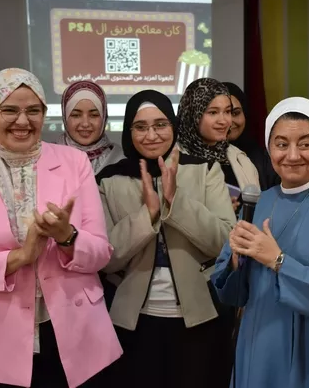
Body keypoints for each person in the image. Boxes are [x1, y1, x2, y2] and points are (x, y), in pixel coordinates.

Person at [0, 68, 122, 388]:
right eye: (9, 110)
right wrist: (19, 257)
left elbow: (101, 253)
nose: (23, 121)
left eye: (33, 110)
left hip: (70, 335)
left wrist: (67, 237)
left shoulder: (74, 162)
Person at [212, 97, 309, 388]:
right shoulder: (258, 203)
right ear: (269, 148)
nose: (293, 155)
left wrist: (278, 261)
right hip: (262, 342)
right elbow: (234, 294)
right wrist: (235, 260)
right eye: (281, 144)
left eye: (305, 144)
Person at [97, 89, 236, 388]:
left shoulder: (204, 170)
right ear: (128, 131)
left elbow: (225, 242)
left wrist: (176, 202)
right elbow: (105, 258)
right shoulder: (110, 180)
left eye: (160, 124)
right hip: (132, 321)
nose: (151, 135)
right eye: (140, 127)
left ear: (173, 126)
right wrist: (147, 214)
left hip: (200, 317)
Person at [177, 78, 259, 214]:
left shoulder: (240, 158)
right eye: (213, 112)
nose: (224, 121)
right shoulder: (175, 159)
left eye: (227, 112)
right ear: (193, 114)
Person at [56, 81, 124, 175]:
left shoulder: (120, 160)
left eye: (94, 115)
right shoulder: (48, 158)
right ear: (65, 118)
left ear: (104, 118)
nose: (85, 124)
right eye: (76, 115)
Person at [223, 82, 280, 190]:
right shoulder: (201, 160)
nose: (230, 121)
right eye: (224, 113)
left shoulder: (263, 160)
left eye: (235, 113)